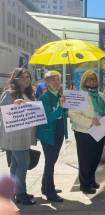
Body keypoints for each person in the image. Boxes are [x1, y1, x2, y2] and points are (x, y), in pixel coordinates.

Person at [0, 68, 36, 205]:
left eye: (28, 77)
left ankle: (15, 191)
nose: (26, 79)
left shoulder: (29, 94)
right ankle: (21, 194)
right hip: (14, 137)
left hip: (25, 136)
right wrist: (12, 105)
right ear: (15, 78)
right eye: (23, 77)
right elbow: (2, 112)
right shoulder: (9, 94)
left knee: (16, 164)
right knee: (23, 163)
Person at [69, 70, 105, 194]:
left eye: (94, 79)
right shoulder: (79, 95)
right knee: (85, 159)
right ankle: (85, 185)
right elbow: (73, 114)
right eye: (89, 79)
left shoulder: (101, 95)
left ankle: (91, 179)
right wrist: (90, 121)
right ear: (84, 81)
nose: (92, 81)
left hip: (99, 130)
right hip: (84, 131)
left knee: (96, 157)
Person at [36, 70, 67, 202]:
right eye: (53, 80)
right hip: (48, 134)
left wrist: (65, 105)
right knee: (50, 162)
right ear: (47, 83)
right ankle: (50, 191)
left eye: (58, 79)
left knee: (51, 161)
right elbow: (48, 118)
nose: (56, 82)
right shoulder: (44, 98)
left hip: (58, 132)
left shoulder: (59, 94)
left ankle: (45, 186)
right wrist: (61, 107)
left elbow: (64, 113)